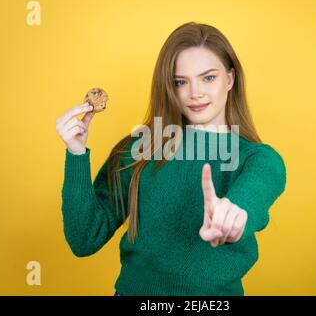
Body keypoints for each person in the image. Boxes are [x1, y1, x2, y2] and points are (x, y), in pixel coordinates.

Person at [55, 22, 287, 296]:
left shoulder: (259, 159)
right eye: (180, 82)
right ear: (168, 86)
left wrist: (232, 217)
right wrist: (76, 154)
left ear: (230, 79)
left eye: (208, 78)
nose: (195, 93)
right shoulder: (139, 149)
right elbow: (84, 239)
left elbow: (252, 194)